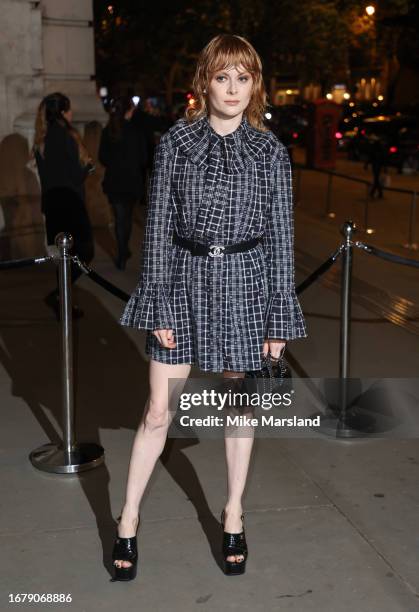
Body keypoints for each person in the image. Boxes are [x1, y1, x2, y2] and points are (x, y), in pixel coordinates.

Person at [111, 34, 307, 581]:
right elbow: (158, 232)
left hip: (246, 284)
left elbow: (280, 239)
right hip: (185, 282)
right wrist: (161, 303)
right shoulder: (177, 143)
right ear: (205, 81)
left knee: (240, 410)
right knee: (157, 412)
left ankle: (234, 512)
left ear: (255, 84)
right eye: (223, 77)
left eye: (243, 77)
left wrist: (277, 318)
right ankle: (128, 519)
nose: (233, 88)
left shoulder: (270, 152)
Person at [33, 92, 95, 319]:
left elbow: (47, 176)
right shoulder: (66, 135)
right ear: (62, 112)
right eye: (69, 109)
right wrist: (87, 167)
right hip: (69, 201)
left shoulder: (41, 138)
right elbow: (74, 177)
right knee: (85, 252)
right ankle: (58, 294)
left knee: (66, 256)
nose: (72, 113)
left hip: (51, 202)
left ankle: (62, 303)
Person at [98, 96, 148, 269]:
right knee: (125, 217)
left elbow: (102, 158)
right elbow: (143, 158)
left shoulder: (108, 131)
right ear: (129, 110)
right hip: (131, 180)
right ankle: (122, 251)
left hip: (114, 180)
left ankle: (122, 252)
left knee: (120, 218)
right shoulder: (135, 131)